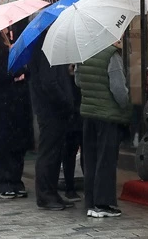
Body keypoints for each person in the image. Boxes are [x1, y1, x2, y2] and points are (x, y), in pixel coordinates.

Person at [75, 39, 130, 218]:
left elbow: (78, 80)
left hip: (89, 113)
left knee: (91, 159)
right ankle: (103, 203)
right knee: (106, 159)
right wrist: (127, 105)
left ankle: (91, 201)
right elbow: (118, 89)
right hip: (108, 115)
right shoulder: (111, 55)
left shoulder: (84, 52)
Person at [30, 31, 76, 210]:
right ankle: (45, 195)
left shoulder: (51, 49)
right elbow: (49, 83)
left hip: (56, 110)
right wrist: (65, 101)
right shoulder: (46, 49)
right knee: (49, 153)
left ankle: (52, 192)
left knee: (55, 153)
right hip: (51, 110)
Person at [0, 29, 33, 200]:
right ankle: (1, 183)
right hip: (2, 105)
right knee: (3, 146)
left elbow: (23, 70)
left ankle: (15, 180)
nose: (8, 29)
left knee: (17, 146)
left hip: (16, 104)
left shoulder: (11, 46)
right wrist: (13, 75)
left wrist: (21, 71)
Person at [62, 67, 84, 203]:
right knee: (69, 152)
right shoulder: (62, 76)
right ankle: (69, 187)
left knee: (85, 152)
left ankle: (81, 187)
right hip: (70, 116)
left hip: (81, 113)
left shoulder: (81, 69)